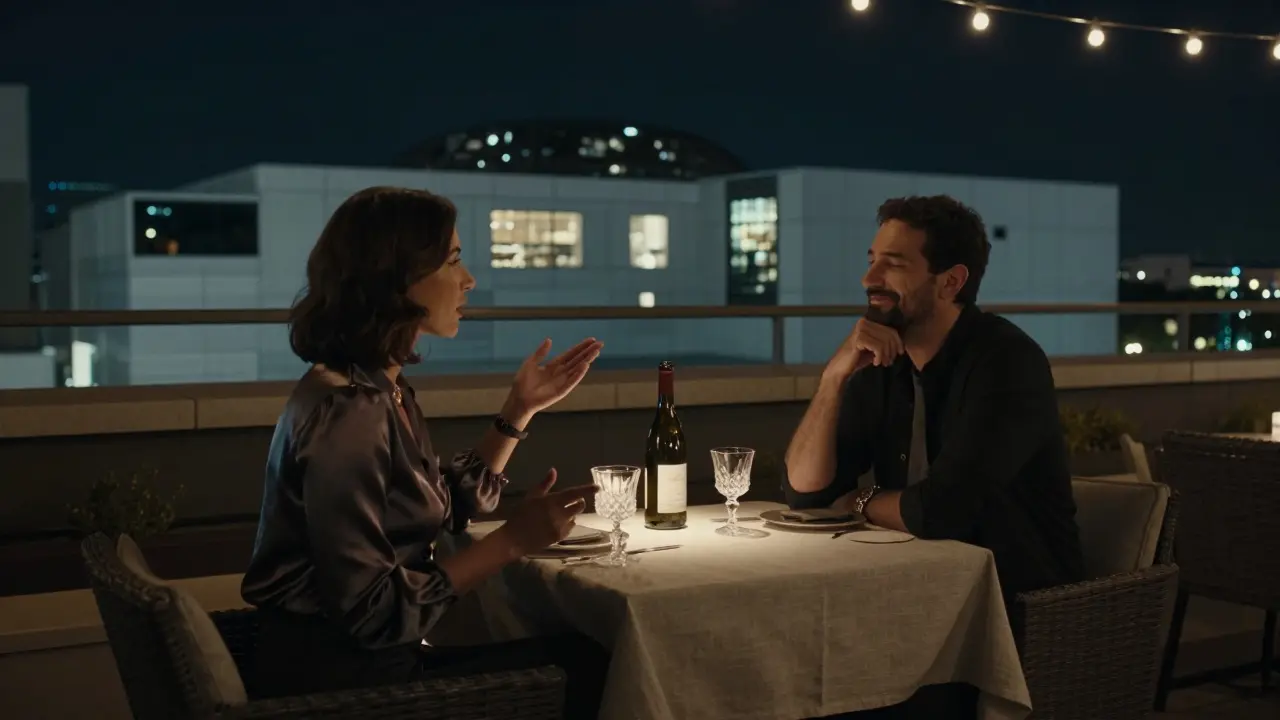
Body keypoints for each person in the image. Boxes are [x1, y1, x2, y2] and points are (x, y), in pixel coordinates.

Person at [240, 186, 609, 717]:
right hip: (345, 688)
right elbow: (372, 612)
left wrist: (519, 410)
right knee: (593, 663)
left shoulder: (377, 387)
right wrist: (511, 541)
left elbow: (441, 503)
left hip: (369, 665)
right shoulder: (350, 412)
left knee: (580, 651)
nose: (469, 279)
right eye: (453, 259)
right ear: (396, 277)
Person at [783, 194, 1085, 602]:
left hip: (1016, 603)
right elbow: (806, 493)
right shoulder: (883, 363)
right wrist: (832, 379)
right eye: (872, 260)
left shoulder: (1007, 361)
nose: (869, 279)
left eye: (893, 264)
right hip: (915, 583)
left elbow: (939, 512)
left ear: (950, 282)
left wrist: (859, 499)